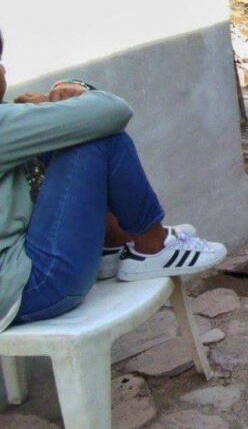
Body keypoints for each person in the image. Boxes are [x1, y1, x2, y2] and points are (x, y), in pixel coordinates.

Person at [0, 29, 227, 332]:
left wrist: (50, 106)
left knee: (70, 139)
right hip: (36, 288)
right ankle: (151, 246)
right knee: (100, 140)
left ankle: (114, 246)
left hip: (26, 278)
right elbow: (114, 111)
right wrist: (79, 90)